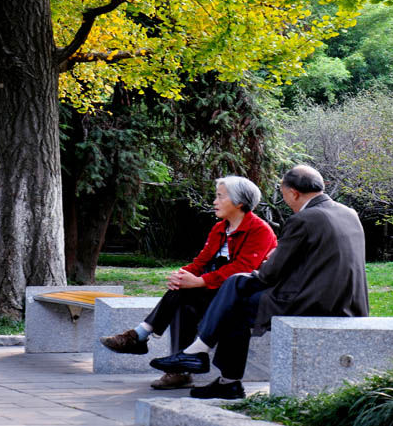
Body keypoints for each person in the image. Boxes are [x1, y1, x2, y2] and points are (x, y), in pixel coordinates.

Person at [150, 164, 369, 400]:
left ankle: (215, 367)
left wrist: (256, 270)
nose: (286, 201)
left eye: (284, 195)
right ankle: (208, 362)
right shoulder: (349, 213)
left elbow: (269, 274)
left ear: (294, 192)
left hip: (314, 302)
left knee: (235, 296)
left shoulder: (305, 219)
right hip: (348, 302)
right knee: (235, 291)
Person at [100, 175, 277, 389]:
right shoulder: (219, 229)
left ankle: (144, 339)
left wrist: (199, 282)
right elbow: (200, 261)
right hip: (215, 290)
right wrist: (182, 276)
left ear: (239, 203)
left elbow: (242, 269)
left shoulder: (260, 230)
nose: (215, 201)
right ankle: (171, 363)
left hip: (239, 296)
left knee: (186, 294)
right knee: (182, 297)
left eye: (220, 197)